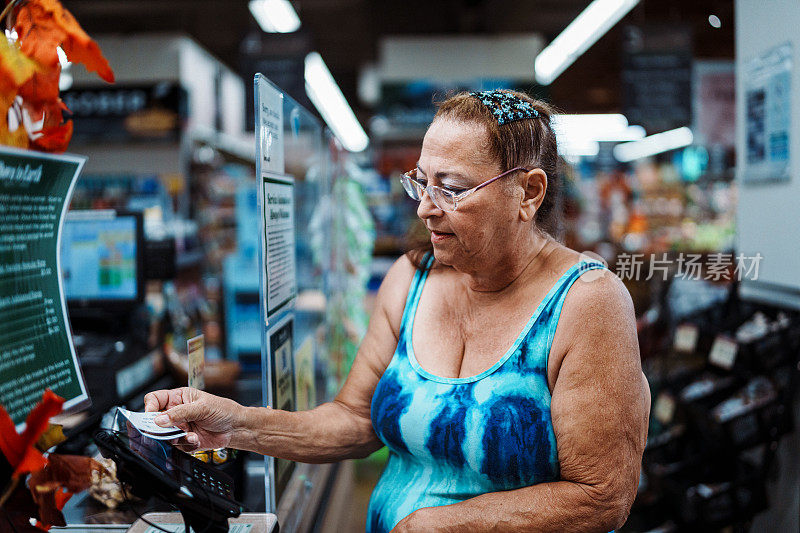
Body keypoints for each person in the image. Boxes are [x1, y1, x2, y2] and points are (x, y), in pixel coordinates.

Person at [145, 89, 651, 533]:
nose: (425, 207)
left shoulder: (586, 304)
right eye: (422, 182)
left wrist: (447, 525)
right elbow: (354, 420)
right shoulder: (411, 280)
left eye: (451, 189)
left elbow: (602, 496)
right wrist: (235, 426)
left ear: (529, 191)